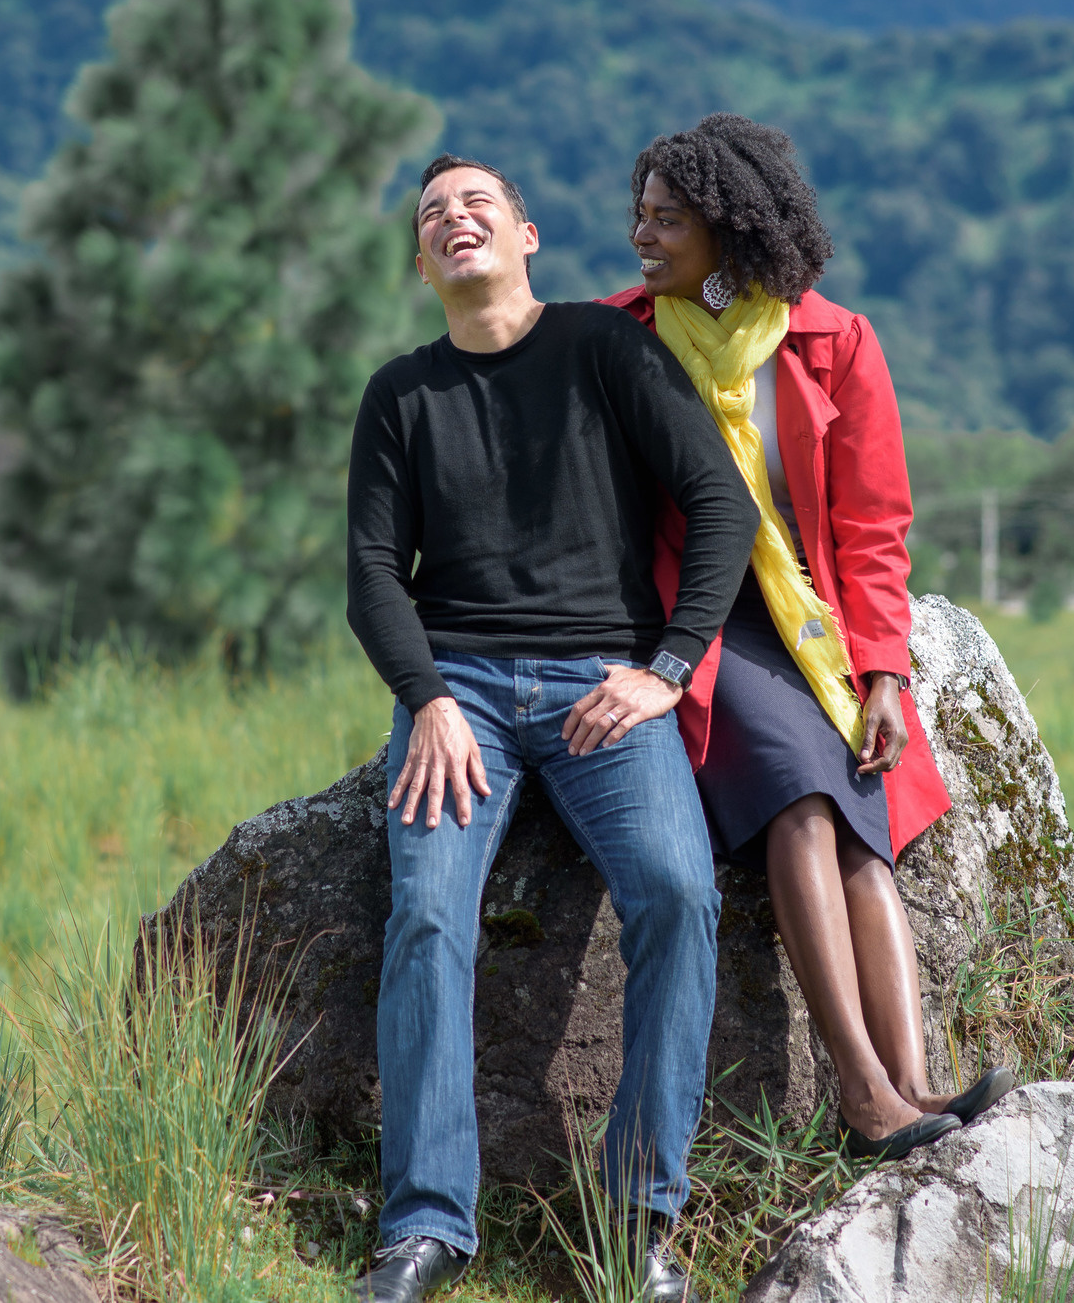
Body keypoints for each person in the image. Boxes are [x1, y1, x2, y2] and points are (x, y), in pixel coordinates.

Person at [344, 154, 758, 1303]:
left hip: (600, 685)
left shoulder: (603, 346)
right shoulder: (400, 393)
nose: (455, 217)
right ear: (420, 261)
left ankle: (635, 1221)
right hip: (460, 693)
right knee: (428, 912)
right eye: (433, 213)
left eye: (478, 202)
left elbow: (720, 503)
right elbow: (372, 572)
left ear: (526, 235)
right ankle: (425, 1226)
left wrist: (668, 668)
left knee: (676, 891)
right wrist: (427, 696)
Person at [602, 113, 1018, 1160]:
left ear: (729, 228)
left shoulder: (833, 343)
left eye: (668, 219)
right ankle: (862, 1095)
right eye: (640, 215)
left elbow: (874, 528)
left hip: (811, 622)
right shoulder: (619, 339)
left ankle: (911, 1081)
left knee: (863, 827)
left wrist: (882, 673)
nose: (642, 236)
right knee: (800, 796)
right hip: (702, 621)